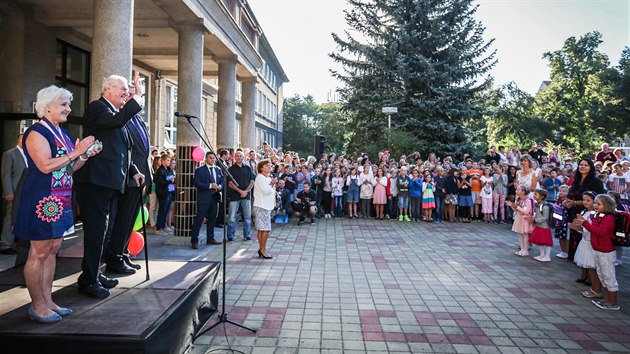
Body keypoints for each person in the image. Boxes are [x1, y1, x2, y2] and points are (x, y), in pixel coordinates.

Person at [14, 85, 98, 322]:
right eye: (63, 105)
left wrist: (84, 155)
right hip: (42, 199)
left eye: (68, 104)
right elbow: (45, 165)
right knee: (39, 253)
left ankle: (48, 301)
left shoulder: (63, 132)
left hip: (61, 199)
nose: (68, 109)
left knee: (52, 251)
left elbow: (69, 169)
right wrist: (76, 152)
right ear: (47, 106)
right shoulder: (36, 132)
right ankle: (37, 306)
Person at [74, 74, 143, 299]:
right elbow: (116, 122)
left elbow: (123, 150)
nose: (127, 93)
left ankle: (95, 273)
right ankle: (88, 281)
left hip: (112, 183)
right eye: (123, 89)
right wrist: (137, 98)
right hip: (95, 182)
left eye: (128, 90)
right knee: (96, 232)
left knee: (105, 232)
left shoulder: (116, 115)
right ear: (108, 90)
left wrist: (134, 171)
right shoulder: (98, 108)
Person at [103, 83, 152, 272]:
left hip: (141, 177)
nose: (130, 97)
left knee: (130, 221)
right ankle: (115, 257)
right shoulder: (120, 119)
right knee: (122, 221)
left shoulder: (138, 120)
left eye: (134, 95)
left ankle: (123, 254)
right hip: (129, 178)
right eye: (128, 94)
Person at [575, 194, 619, 310]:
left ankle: (613, 301)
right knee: (602, 274)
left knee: (609, 276)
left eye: (598, 204)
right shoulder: (599, 216)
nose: (595, 205)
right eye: (595, 203)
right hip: (598, 249)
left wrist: (585, 223)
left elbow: (600, 232)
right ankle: (607, 298)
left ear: (607, 206)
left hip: (606, 251)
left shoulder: (609, 218)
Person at [563, 158, 606, 262]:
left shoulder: (596, 181)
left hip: (588, 214)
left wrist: (575, 202)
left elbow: (597, 199)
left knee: (583, 235)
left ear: (591, 167)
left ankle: (585, 262)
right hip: (574, 212)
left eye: (586, 165)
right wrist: (567, 201)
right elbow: (571, 194)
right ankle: (574, 258)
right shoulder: (576, 179)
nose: (583, 166)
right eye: (581, 164)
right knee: (574, 235)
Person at [571, 192, 601, 298]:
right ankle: (593, 287)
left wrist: (583, 226)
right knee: (588, 265)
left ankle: (596, 288)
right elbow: (584, 229)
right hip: (585, 240)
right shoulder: (584, 212)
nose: (585, 202)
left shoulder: (595, 215)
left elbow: (592, 229)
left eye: (588, 200)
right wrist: (578, 228)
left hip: (591, 243)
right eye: (584, 200)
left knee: (592, 267)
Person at [190, 152, 223, 249]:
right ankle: (194, 241)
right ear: (206, 158)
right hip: (204, 198)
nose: (212, 160)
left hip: (215, 197)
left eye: (214, 158)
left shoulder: (218, 169)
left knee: (212, 219)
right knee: (199, 219)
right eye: (210, 158)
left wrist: (220, 186)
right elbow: (196, 183)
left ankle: (210, 238)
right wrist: (209, 186)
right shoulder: (200, 170)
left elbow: (221, 180)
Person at [1, 134, 27, 255]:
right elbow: (6, 175)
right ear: (18, 139)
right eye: (22, 138)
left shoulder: (31, 153)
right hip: (14, 191)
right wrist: (8, 192)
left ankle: (20, 242)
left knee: (23, 217)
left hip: (28, 191)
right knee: (10, 218)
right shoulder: (10, 154)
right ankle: (6, 244)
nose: (24, 140)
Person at [226, 151, 255, 241]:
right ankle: (230, 235)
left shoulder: (247, 168)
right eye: (237, 156)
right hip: (234, 196)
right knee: (231, 217)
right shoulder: (230, 169)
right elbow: (230, 183)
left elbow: (252, 181)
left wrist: (246, 191)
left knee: (247, 216)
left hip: (246, 195)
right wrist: (240, 191)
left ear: (243, 157)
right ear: (234, 157)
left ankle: (247, 235)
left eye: (240, 156)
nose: (239, 157)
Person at [253, 159, 276, 259]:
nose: (269, 167)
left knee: (263, 229)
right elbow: (266, 191)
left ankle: (261, 249)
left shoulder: (267, 178)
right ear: (261, 168)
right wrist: (272, 183)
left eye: (270, 165)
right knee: (264, 229)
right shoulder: (260, 177)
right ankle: (263, 250)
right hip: (261, 206)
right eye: (266, 165)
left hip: (266, 206)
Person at [507, 185, 534, 257]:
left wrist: (517, 207)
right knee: (519, 234)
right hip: (518, 217)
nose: (516, 191)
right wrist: (512, 206)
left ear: (523, 192)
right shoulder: (518, 199)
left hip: (525, 219)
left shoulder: (528, 200)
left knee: (525, 234)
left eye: (518, 190)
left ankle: (525, 250)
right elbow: (516, 211)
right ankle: (522, 249)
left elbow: (527, 211)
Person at [529, 189, 553, 262]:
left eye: (536, 194)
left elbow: (545, 217)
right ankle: (542, 254)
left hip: (544, 226)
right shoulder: (538, 204)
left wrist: (535, 220)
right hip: (539, 226)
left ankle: (547, 256)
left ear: (542, 196)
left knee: (547, 242)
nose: (534, 196)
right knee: (540, 240)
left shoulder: (544, 206)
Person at [154, 154, 174, 235]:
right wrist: (169, 181)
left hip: (169, 192)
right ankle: (159, 228)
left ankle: (164, 226)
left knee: (166, 210)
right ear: (163, 161)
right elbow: (159, 182)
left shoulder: (169, 169)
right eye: (167, 160)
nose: (169, 162)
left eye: (169, 160)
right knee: (162, 210)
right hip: (162, 193)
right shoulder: (160, 170)